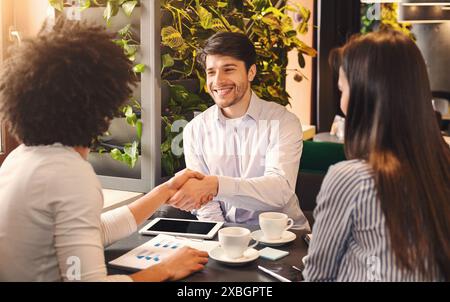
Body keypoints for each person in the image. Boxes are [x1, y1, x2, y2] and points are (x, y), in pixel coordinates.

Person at [0, 19, 209, 282]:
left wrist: (164, 191)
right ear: (101, 104)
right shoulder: (69, 174)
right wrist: (165, 269)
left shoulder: (21, 159)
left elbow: (94, 231)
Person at [302, 30, 450, 281]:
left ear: (363, 96)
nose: (342, 103)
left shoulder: (352, 178)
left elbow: (317, 275)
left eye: (342, 90)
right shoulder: (442, 166)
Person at [168, 32, 310, 230]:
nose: (218, 81)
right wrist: (222, 240)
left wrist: (216, 185)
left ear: (251, 72)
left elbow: (280, 191)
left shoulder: (283, 122)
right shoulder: (195, 129)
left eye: (228, 69)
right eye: (211, 72)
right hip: (224, 234)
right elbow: (206, 203)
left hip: (282, 236)